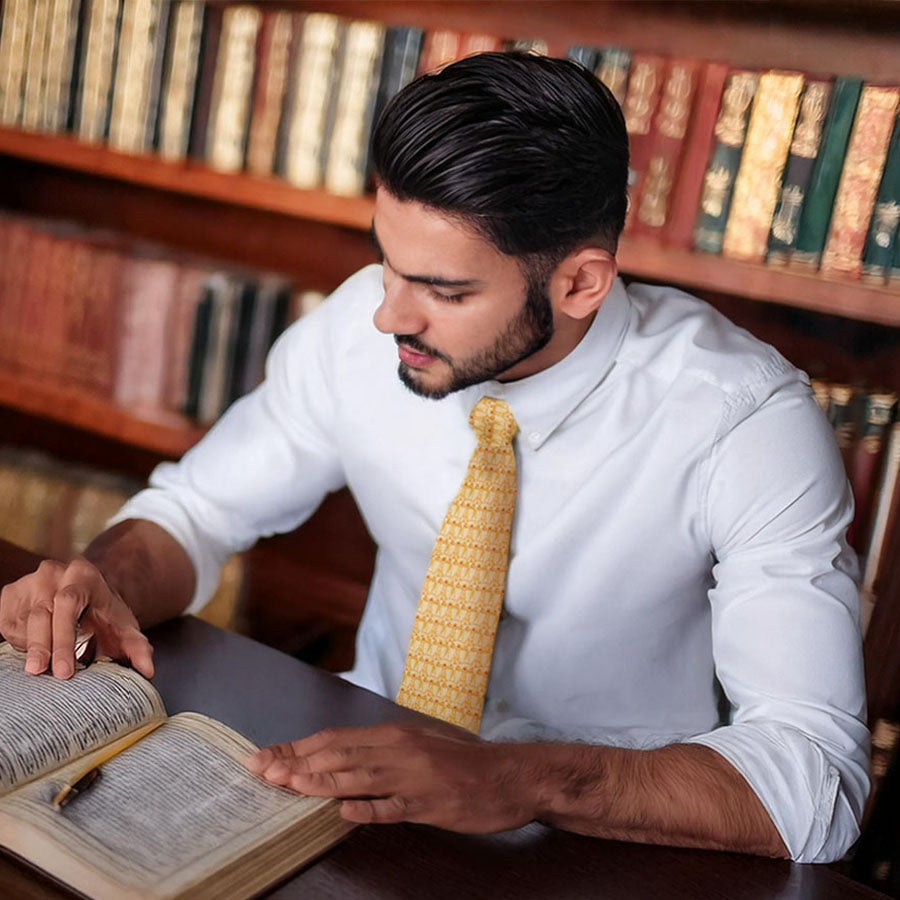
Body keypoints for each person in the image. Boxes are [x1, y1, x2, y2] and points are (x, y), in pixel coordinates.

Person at [0, 53, 867, 863]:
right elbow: (196, 512)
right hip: (356, 788)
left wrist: (515, 778)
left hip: (615, 837)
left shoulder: (746, 421)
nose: (389, 317)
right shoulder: (357, 328)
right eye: (387, 263)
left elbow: (818, 784)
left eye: (445, 291)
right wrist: (100, 581)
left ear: (581, 284)